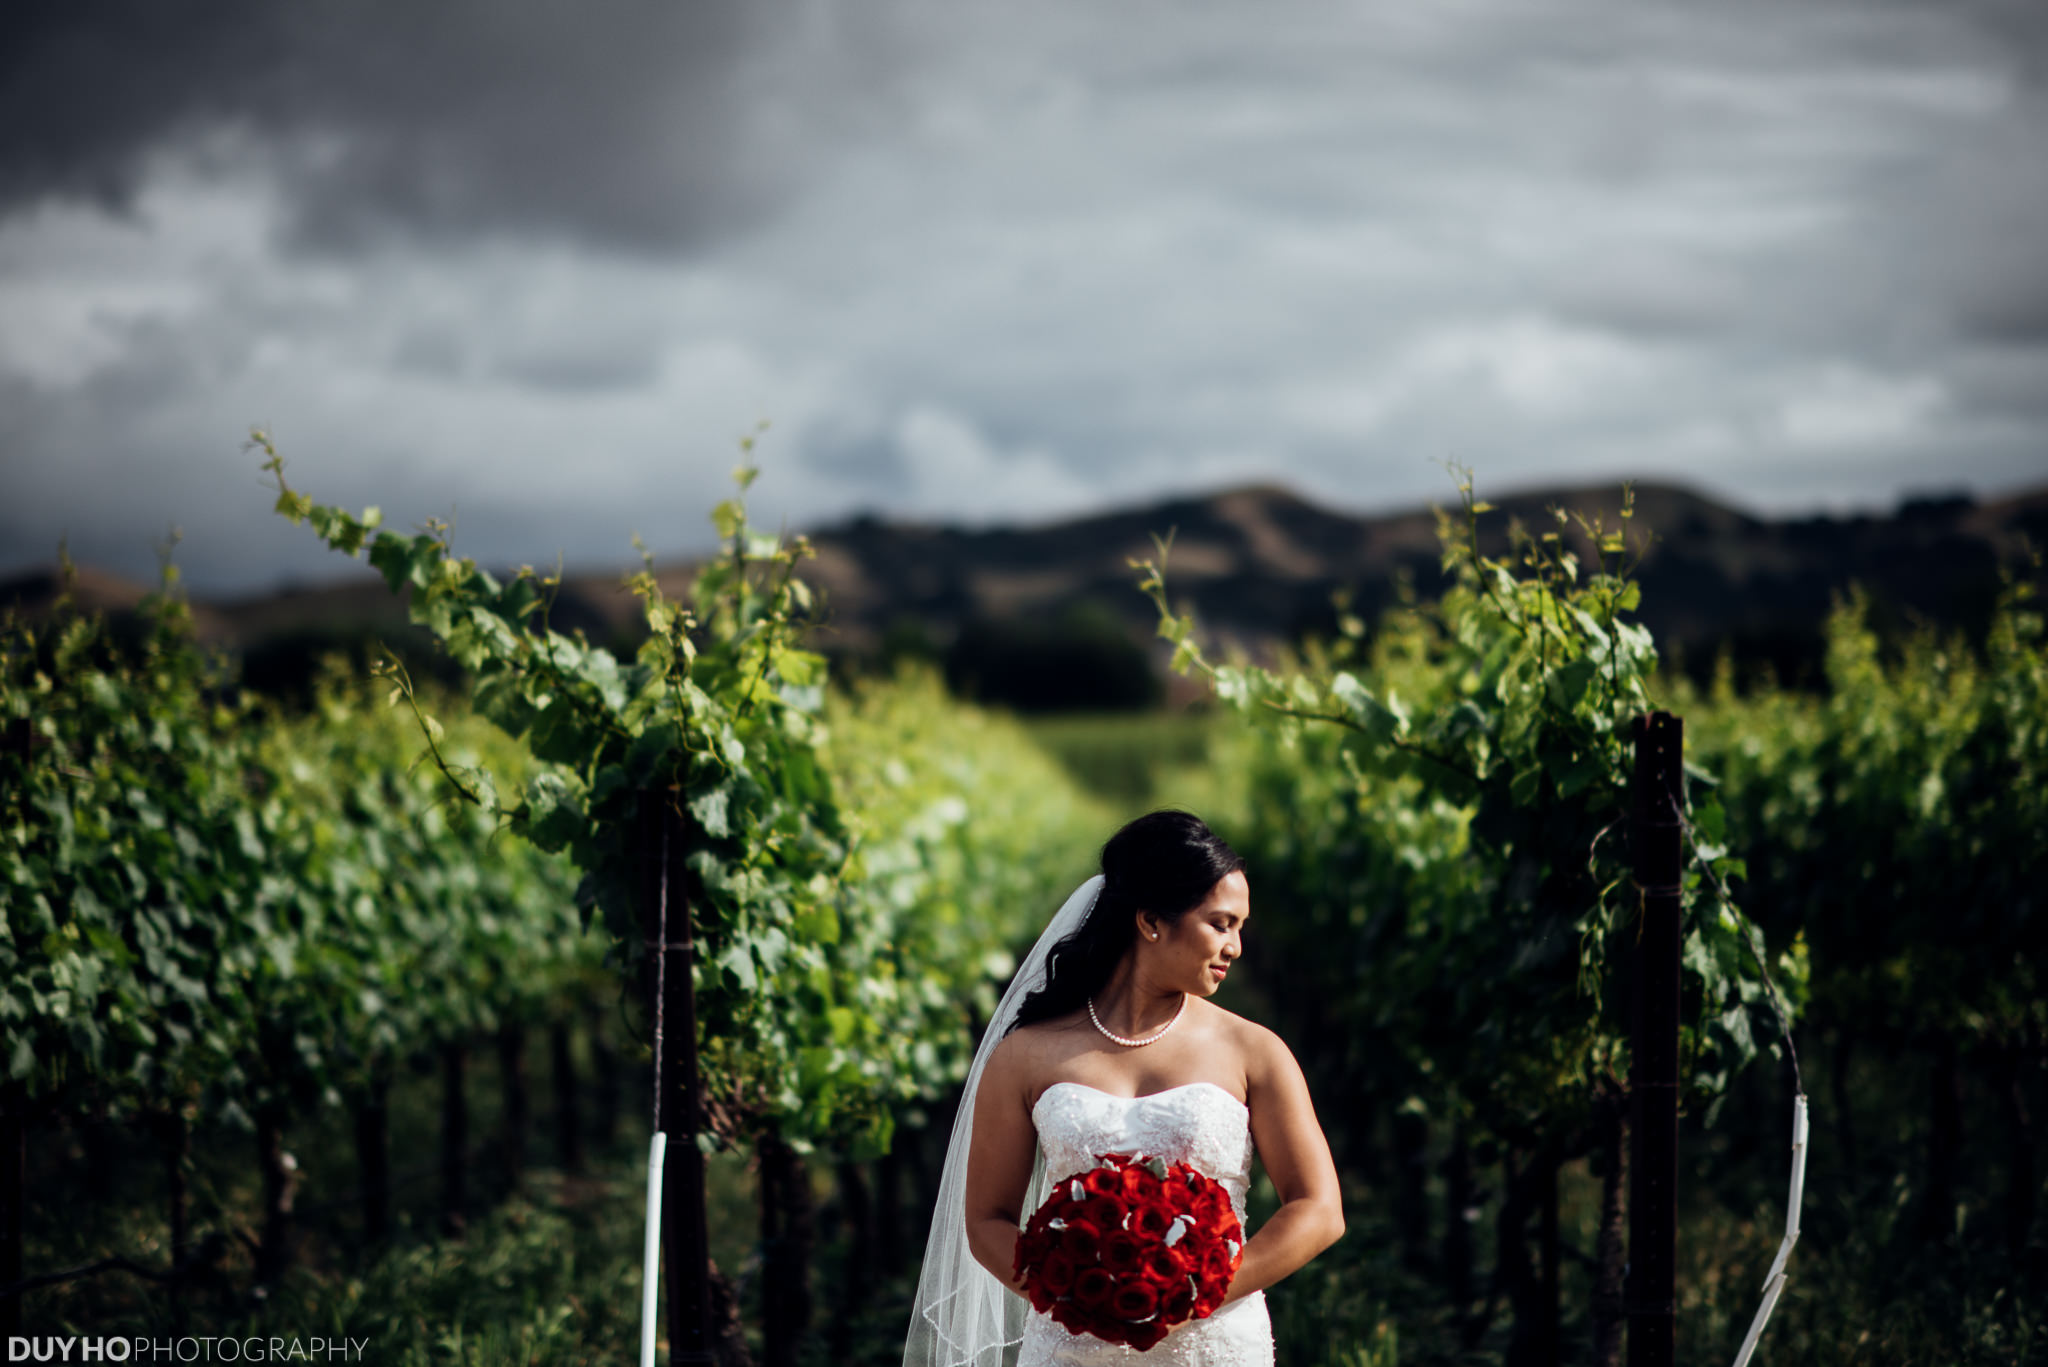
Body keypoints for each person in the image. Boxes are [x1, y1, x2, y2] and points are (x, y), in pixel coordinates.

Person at [905, 810, 1344, 1367]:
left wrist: (1195, 1295)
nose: (1236, 947)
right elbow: (987, 1220)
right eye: (1220, 923)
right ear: (1152, 921)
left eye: (1240, 927)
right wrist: (1077, 1296)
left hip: (1213, 1345)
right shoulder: (1025, 1054)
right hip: (1070, 1346)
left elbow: (1319, 1208)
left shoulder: (1255, 1050)